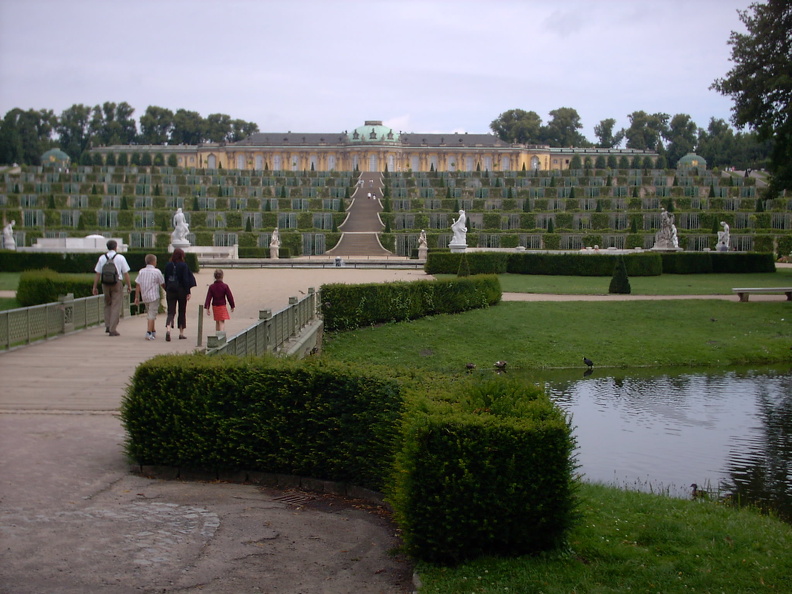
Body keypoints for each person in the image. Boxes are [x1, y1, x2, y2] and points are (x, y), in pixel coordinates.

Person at [92, 239, 131, 336]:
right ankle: (113, 329)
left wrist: (94, 287)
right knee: (115, 306)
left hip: (105, 283)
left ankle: (107, 325)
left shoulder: (102, 258)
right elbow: (126, 273)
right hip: (116, 283)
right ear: (115, 247)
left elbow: (97, 273)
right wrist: (129, 285)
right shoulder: (120, 258)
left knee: (107, 304)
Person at [164, 248, 196, 341]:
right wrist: (188, 292)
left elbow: (165, 278)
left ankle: (168, 329)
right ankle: (181, 333)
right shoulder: (183, 265)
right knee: (182, 311)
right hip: (181, 290)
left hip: (170, 289)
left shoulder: (168, 265)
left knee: (171, 311)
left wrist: (167, 289)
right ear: (182, 256)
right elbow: (186, 280)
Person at [133, 254, 166, 340]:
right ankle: (148, 332)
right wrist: (168, 291)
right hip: (154, 296)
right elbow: (162, 283)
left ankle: (153, 330)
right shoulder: (157, 271)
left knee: (150, 313)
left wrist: (136, 297)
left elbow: (138, 284)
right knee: (152, 314)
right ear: (153, 262)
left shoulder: (141, 271)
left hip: (145, 296)